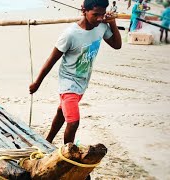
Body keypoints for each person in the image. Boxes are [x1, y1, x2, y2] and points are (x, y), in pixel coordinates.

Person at [29, 0, 121, 145]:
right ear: (83, 10)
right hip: (68, 83)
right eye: (95, 14)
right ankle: (68, 156)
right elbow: (51, 60)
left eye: (102, 15)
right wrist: (37, 83)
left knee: (62, 112)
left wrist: (112, 23)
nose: (99, 18)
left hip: (82, 82)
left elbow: (117, 45)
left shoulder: (102, 26)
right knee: (73, 123)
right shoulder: (70, 34)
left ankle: (47, 141)